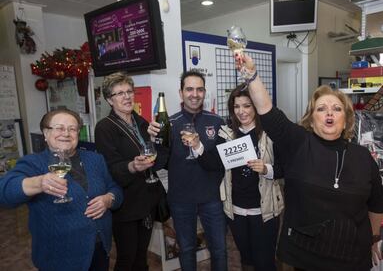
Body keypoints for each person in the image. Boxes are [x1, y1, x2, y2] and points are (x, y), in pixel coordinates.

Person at [235, 54, 383, 271]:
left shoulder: (363, 157)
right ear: (311, 119)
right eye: (321, 108)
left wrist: (373, 238)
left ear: (346, 120)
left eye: (336, 108)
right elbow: (267, 112)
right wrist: (251, 74)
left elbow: (376, 203)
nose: (329, 113)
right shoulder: (298, 144)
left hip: (352, 256)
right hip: (305, 255)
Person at [0, 109, 123, 271]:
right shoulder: (33, 163)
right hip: (59, 257)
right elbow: (4, 192)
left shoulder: (95, 159)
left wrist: (109, 199)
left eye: (72, 129)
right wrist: (39, 182)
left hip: (99, 248)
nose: (66, 133)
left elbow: (115, 188)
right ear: (45, 133)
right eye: (59, 128)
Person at [191, 84, 285, 270]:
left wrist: (266, 169)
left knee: (265, 261)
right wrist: (196, 146)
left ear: (256, 106)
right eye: (237, 106)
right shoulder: (226, 134)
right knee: (246, 259)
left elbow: (285, 167)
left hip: (264, 210)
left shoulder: (269, 132)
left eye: (247, 106)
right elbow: (213, 163)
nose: (242, 111)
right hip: (236, 210)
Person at [148, 70, 227, 271]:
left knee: (219, 249)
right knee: (187, 249)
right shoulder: (169, 124)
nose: (195, 94)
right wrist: (155, 141)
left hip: (212, 198)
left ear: (204, 92)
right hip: (181, 199)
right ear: (181, 93)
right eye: (189, 89)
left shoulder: (217, 122)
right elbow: (158, 165)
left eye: (199, 89)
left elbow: (222, 161)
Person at [94, 72, 168, 271]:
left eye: (129, 91)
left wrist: (161, 138)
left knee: (141, 257)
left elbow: (158, 159)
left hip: (147, 201)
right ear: (110, 99)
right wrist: (133, 166)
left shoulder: (143, 123)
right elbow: (111, 168)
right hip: (125, 203)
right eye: (119, 93)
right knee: (127, 258)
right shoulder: (104, 128)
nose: (126, 97)